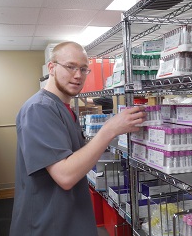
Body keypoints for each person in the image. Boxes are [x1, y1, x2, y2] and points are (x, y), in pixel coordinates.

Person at [9, 41, 146, 236]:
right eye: (70, 67)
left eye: (83, 69)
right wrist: (109, 130)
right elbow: (65, 175)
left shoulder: (65, 108)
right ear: (52, 68)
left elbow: (75, 157)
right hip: (46, 225)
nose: (78, 75)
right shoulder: (39, 109)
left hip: (68, 219)